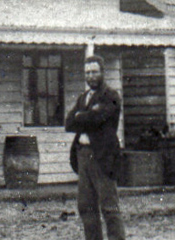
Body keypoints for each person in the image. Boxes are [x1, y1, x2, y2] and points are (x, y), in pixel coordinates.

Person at [65, 55, 125, 240]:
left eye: (94, 72)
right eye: (87, 73)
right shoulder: (83, 98)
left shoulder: (111, 96)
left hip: (103, 157)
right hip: (83, 156)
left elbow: (98, 118)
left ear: (102, 73)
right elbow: (68, 123)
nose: (91, 76)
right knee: (86, 206)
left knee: (109, 207)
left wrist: (81, 117)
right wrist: (86, 115)